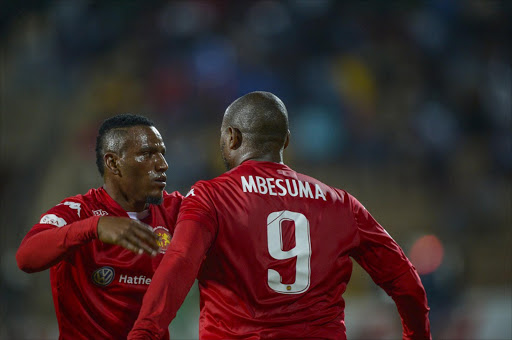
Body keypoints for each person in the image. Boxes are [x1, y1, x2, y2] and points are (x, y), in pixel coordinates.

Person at [128, 92, 431, 340]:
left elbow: (179, 264)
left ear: (231, 137)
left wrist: (144, 332)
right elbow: (406, 282)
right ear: (285, 141)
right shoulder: (341, 203)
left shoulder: (211, 197)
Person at [16, 114, 183, 340]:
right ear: (113, 163)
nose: (163, 165)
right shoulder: (78, 212)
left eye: (161, 153)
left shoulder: (177, 210)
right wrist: (95, 226)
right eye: (147, 154)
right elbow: (26, 258)